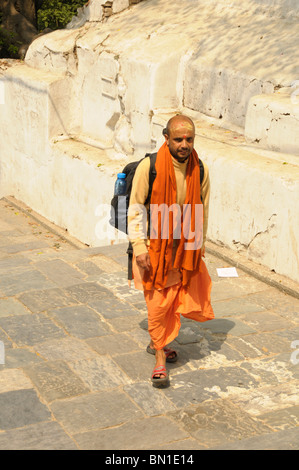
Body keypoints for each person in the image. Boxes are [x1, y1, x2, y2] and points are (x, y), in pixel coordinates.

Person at [128, 114, 214, 386]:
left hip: (183, 248)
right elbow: (135, 207)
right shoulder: (148, 167)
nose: (184, 144)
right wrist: (139, 246)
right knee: (157, 304)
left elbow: (203, 209)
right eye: (178, 139)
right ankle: (160, 360)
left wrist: (198, 245)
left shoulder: (199, 168)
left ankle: (160, 342)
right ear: (166, 138)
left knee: (174, 300)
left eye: (189, 139)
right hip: (153, 247)